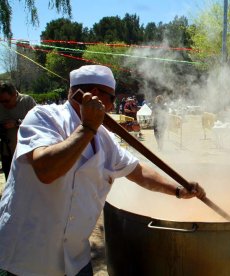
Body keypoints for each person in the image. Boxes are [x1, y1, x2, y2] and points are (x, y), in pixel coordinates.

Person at [0, 65, 205, 276]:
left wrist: (178, 190)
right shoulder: (43, 116)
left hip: (74, 258)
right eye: (112, 98)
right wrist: (87, 127)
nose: (112, 105)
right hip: (27, 258)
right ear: (96, 95)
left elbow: (137, 171)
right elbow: (46, 170)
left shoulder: (103, 137)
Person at [0, 82, 36, 180]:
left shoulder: (27, 101)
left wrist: (17, 123)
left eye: (6, 101)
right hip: (7, 153)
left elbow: (39, 122)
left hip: (27, 153)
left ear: (14, 94)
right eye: (1, 101)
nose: (3, 104)